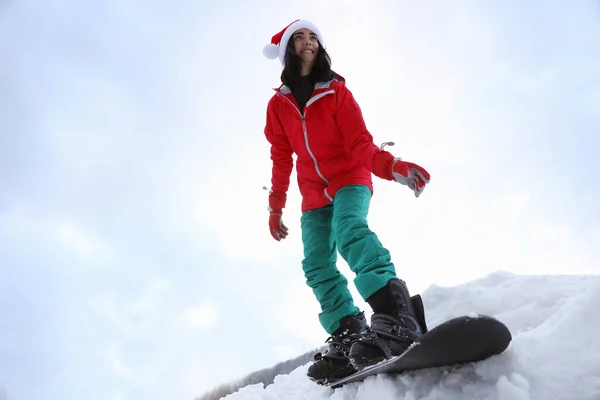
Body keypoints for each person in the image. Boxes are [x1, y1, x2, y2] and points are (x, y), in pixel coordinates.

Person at [262, 19, 431, 384]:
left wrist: (393, 167)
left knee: (350, 229)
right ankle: (349, 333)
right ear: (287, 50)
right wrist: (275, 207)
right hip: (312, 196)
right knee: (317, 264)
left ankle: (395, 313)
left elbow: (359, 142)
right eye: (299, 37)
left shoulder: (338, 93)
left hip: (349, 179)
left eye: (312, 37)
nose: (308, 41)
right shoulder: (278, 106)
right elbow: (280, 158)